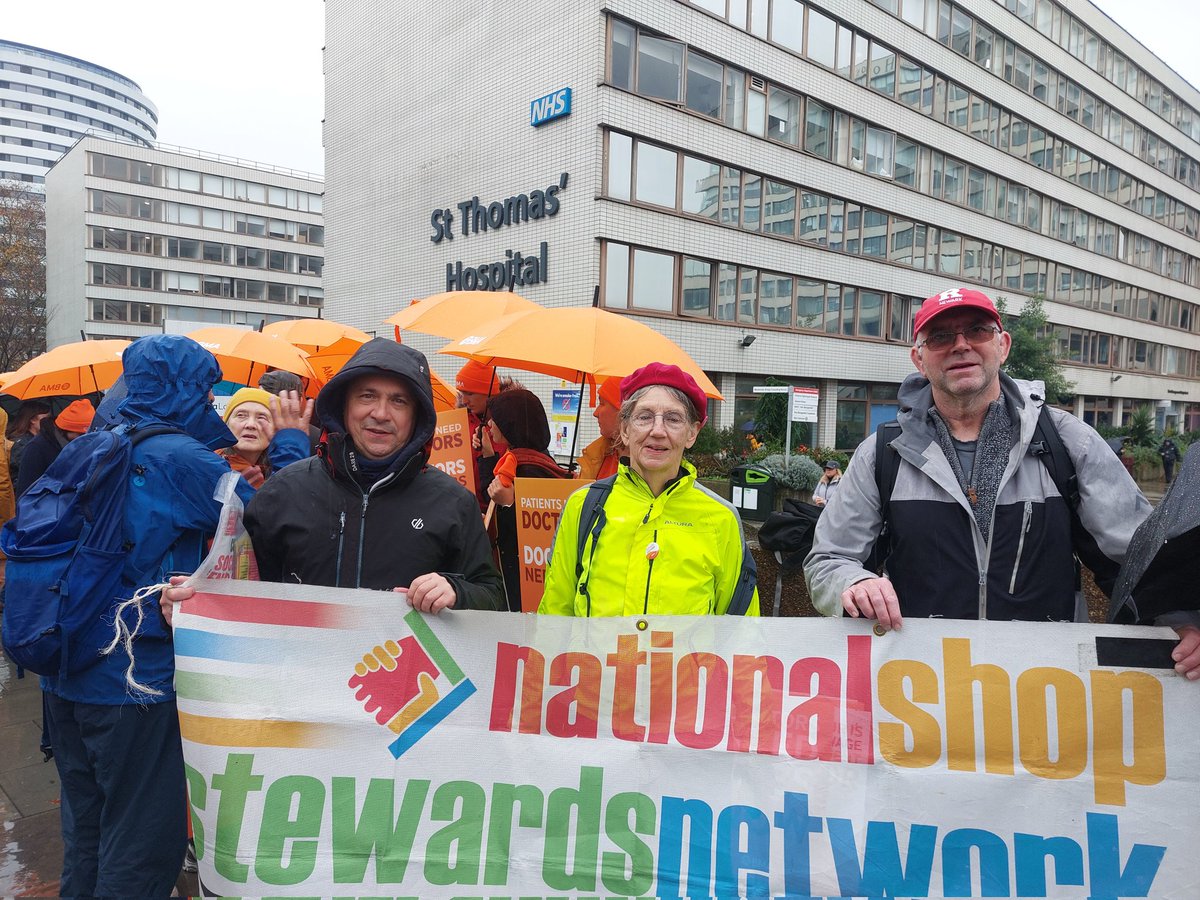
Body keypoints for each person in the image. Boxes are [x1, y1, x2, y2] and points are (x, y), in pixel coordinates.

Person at [803, 287, 1198, 676]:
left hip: (1045, 684)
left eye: (976, 330)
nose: (960, 345)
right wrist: (852, 582)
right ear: (919, 359)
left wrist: (1179, 622)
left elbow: (1136, 558)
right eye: (940, 337)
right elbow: (827, 560)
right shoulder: (882, 453)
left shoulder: (1066, 440)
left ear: (1002, 345)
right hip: (922, 685)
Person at [41, 334, 259, 898]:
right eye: (205, 390)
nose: (211, 404)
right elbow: (269, 529)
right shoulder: (183, 458)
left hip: (66, 671)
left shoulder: (91, 444)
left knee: (86, 834)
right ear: (181, 389)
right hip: (136, 680)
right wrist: (281, 448)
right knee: (140, 844)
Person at [164, 338, 504, 614]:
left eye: (398, 401)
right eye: (367, 396)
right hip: (293, 687)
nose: (380, 413)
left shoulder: (453, 502)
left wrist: (456, 591)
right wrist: (190, 606)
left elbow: (492, 595)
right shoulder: (282, 491)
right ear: (343, 406)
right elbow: (238, 590)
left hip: (403, 692)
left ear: (417, 417)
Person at [539, 362, 759, 617]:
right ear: (625, 429)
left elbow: (741, 631)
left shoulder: (721, 518)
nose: (657, 431)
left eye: (673, 419)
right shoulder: (583, 506)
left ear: (692, 433)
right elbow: (554, 614)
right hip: (596, 659)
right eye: (644, 417)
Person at [484, 388, 571, 611]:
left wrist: (509, 504)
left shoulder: (532, 469)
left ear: (511, 426)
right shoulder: (514, 462)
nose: (489, 425)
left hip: (525, 587)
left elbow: (541, 535)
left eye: (495, 420)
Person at [217, 387, 311, 488]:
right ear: (226, 424)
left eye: (261, 417)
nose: (250, 424)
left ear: (276, 429)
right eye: (241, 415)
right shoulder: (210, 467)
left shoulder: (273, 471)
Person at [14, 398, 95, 497]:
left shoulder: (86, 443)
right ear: (66, 429)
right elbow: (25, 492)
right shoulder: (36, 448)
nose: (84, 438)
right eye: (80, 434)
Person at [578, 377, 622, 481]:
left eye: (602, 403)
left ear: (623, 411)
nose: (595, 413)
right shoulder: (597, 454)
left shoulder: (651, 465)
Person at [6, 398, 50, 486]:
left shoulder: (41, 439)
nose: (48, 422)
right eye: (45, 419)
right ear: (33, 420)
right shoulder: (21, 443)